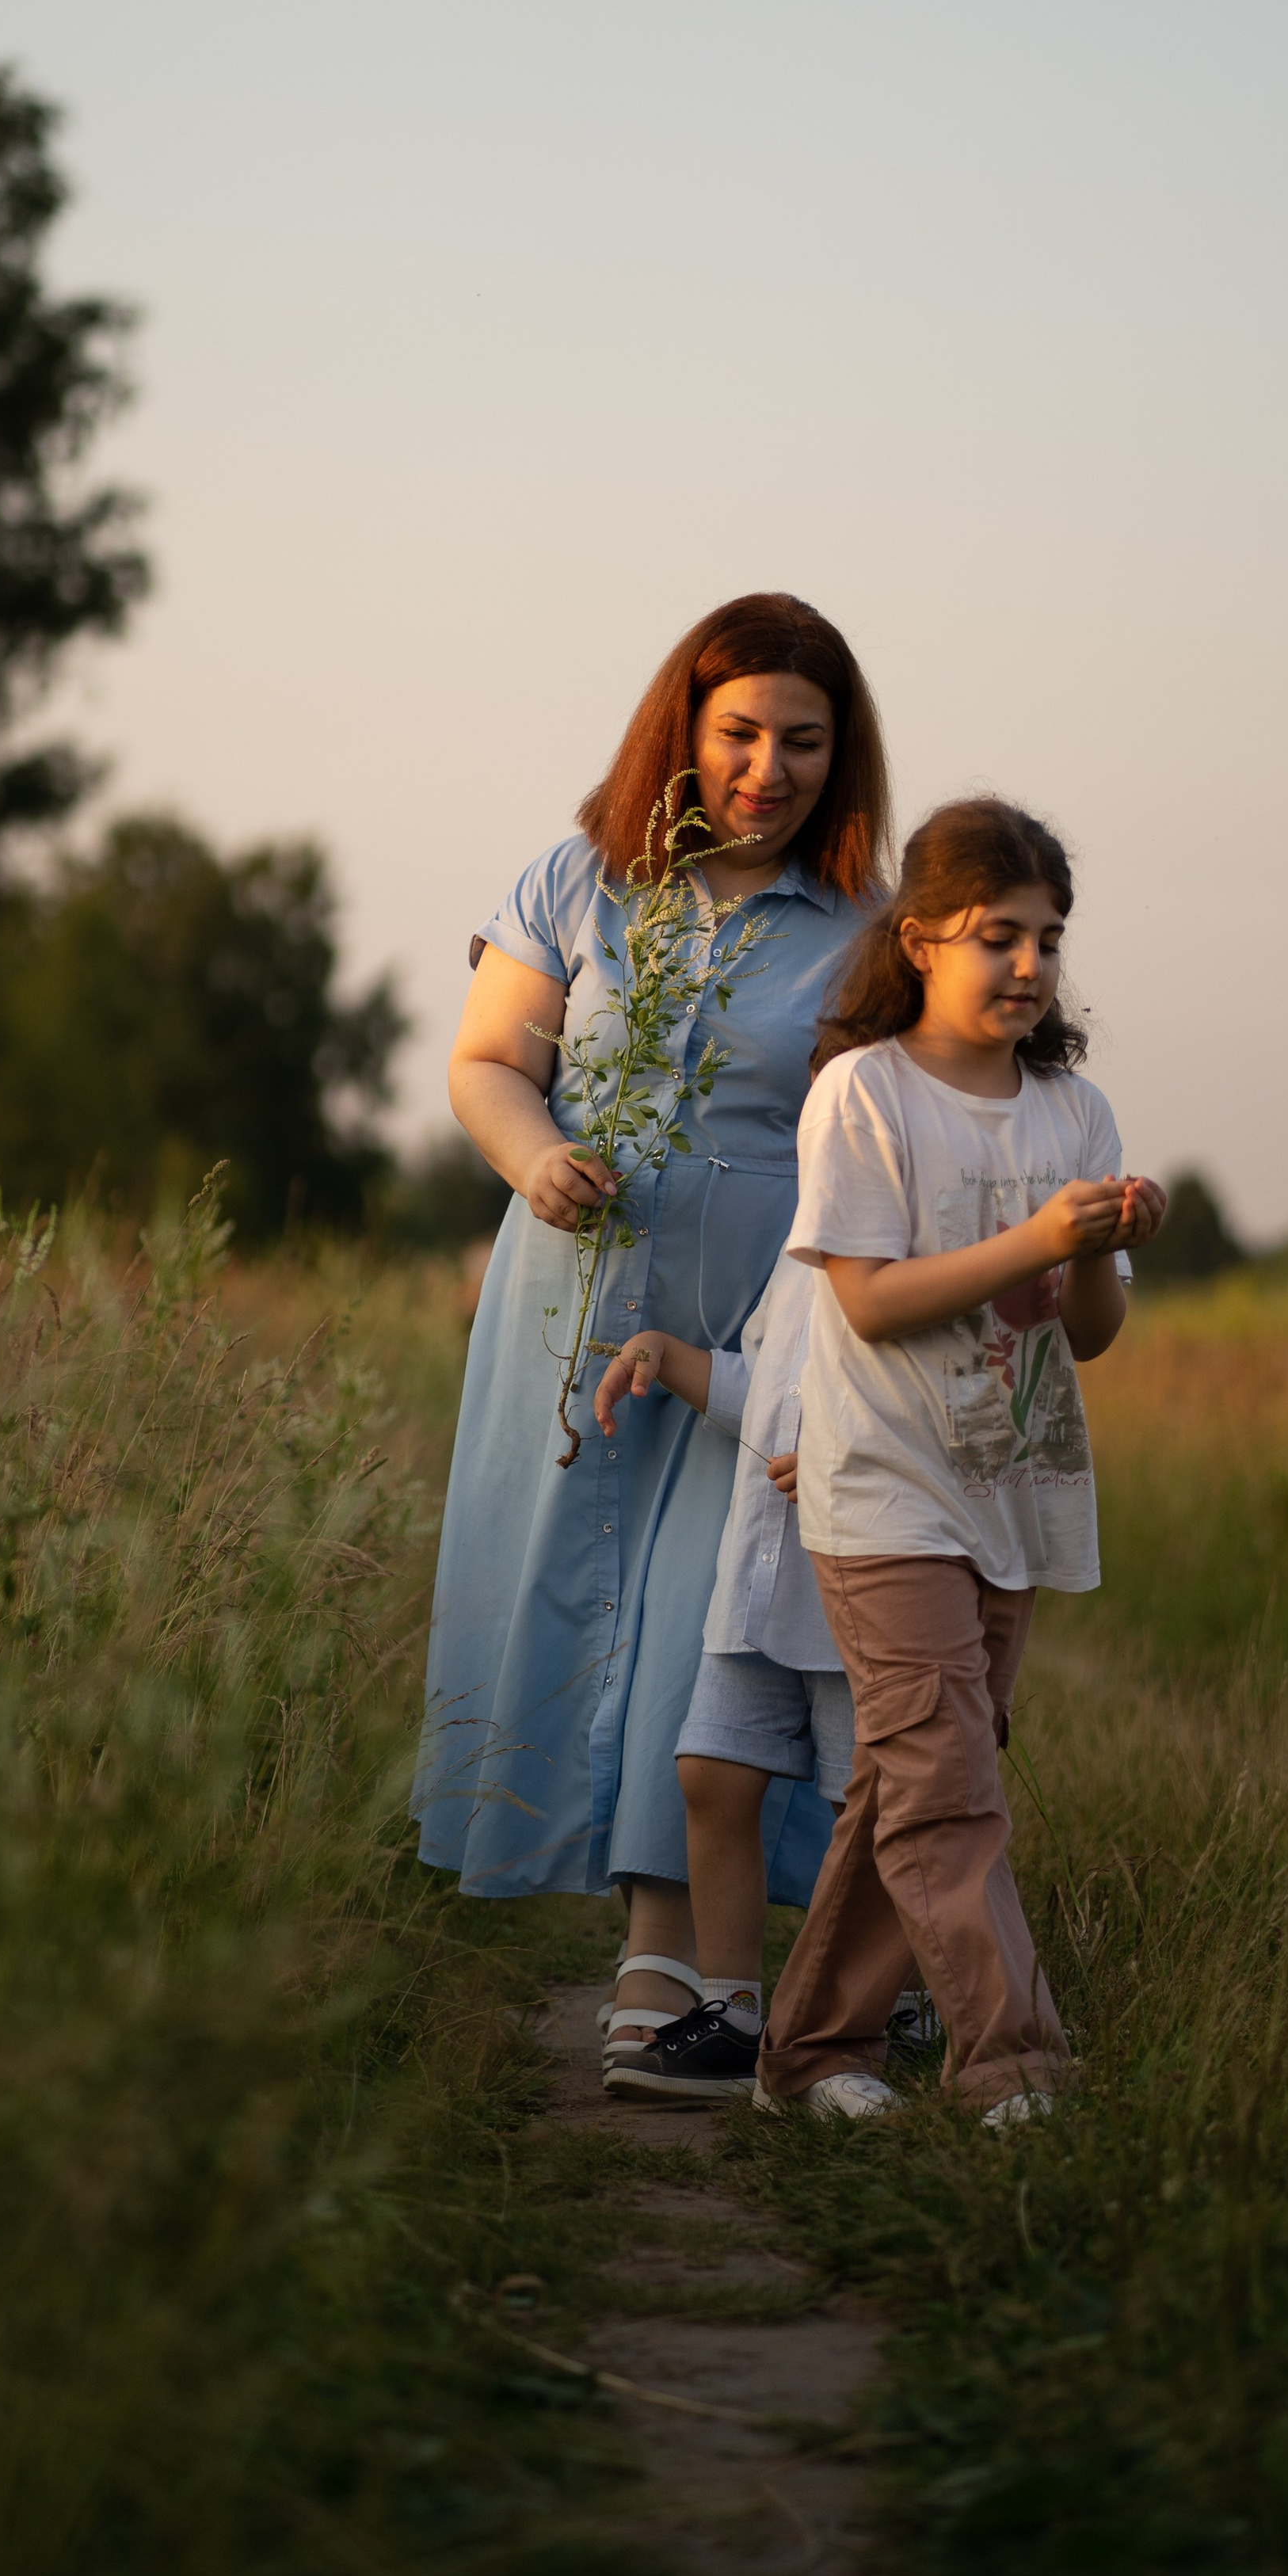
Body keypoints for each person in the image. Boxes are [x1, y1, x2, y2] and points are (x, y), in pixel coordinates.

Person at [411, 595, 890, 2081]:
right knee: (562, 1594)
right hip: (574, 1295)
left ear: (841, 756)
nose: (769, 767)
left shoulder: (870, 925)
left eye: (804, 742)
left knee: (710, 1617)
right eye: (741, 731)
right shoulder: (579, 879)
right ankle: (675, 1945)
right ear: (682, 730)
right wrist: (532, 1155)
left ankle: (662, 1957)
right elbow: (490, 1059)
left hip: (761, 1312)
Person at [753, 796, 1165, 2128]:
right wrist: (1042, 1237)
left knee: (917, 1779)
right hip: (885, 1490)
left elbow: (1089, 1337)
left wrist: (1099, 1245)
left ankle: (810, 2052)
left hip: (1014, 1487)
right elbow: (866, 1302)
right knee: (945, 1783)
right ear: (921, 938)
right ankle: (1014, 2064)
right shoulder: (862, 1096)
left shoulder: (1073, 1112)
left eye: (1049, 939)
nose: (1032, 968)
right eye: (1001, 938)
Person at [587, 1257, 942, 2099]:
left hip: (854, 1595)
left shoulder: (917, 1258)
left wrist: (849, 1449)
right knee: (709, 1774)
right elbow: (766, 1389)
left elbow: (942, 1408)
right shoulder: (797, 1259)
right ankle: (733, 2011)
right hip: (755, 1586)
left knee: (869, 1813)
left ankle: (901, 2001)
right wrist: (667, 1356)